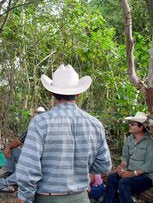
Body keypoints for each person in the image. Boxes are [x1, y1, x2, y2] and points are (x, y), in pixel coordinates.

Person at [16, 64, 112, 203]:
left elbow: (28, 169)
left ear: (52, 93)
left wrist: (25, 198)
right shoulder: (95, 124)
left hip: (47, 198)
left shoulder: (41, 122)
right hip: (81, 197)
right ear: (78, 93)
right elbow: (104, 166)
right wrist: (80, 165)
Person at [0, 106, 46, 193]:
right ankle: (10, 172)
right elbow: (19, 141)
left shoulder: (44, 129)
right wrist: (8, 148)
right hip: (30, 157)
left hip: (38, 162)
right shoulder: (33, 127)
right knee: (13, 150)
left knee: (22, 171)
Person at [102, 112, 153, 203]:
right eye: (130, 123)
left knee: (124, 183)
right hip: (130, 173)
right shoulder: (129, 139)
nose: (129, 125)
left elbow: (149, 166)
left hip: (147, 177)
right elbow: (125, 159)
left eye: (132, 124)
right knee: (112, 177)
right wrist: (121, 169)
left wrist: (132, 174)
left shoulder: (150, 142)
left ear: (141, 127)